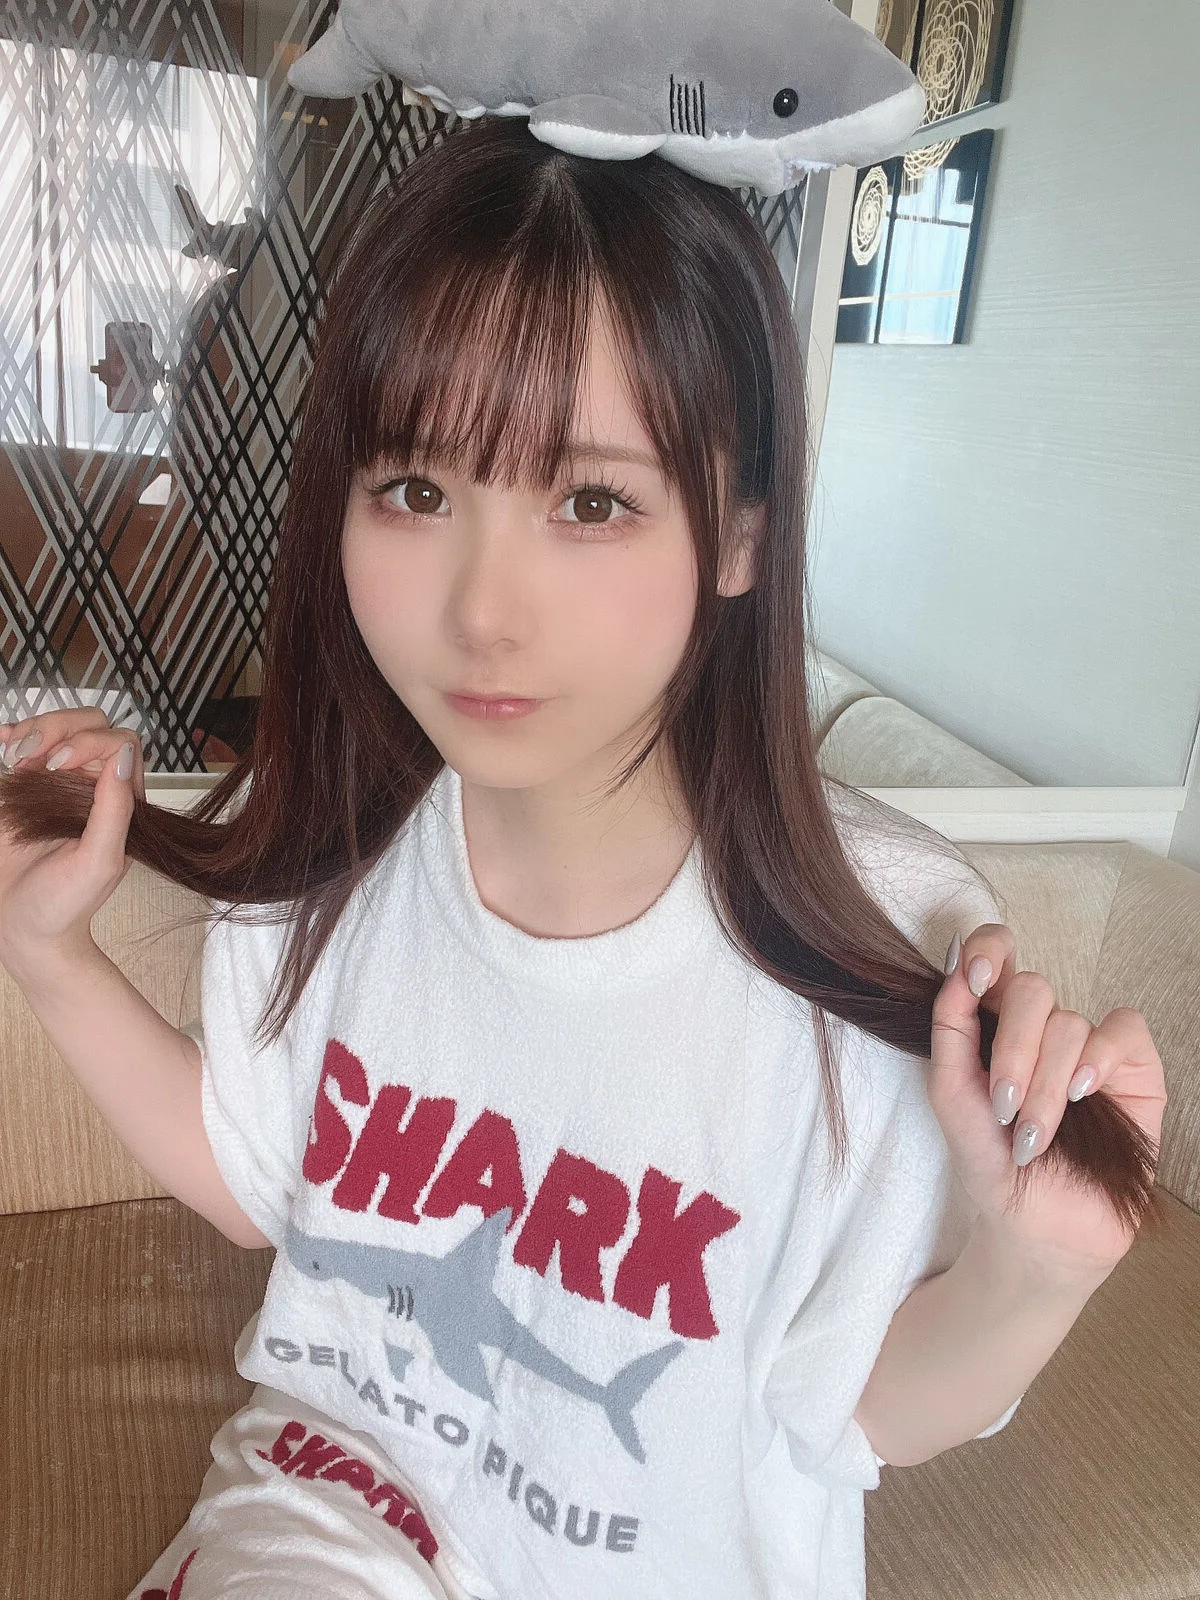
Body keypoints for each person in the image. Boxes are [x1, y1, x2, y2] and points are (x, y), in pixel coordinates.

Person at [0, 116, 1167, 1600]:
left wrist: (1039, 1267)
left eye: (592, 503)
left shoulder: (894, 938)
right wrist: (43, 949)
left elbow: (857, 1411)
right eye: (416, 491)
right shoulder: (339, 850)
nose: (483, 612)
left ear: (741, 535)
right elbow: (264, 1184)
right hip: (341, 1509)